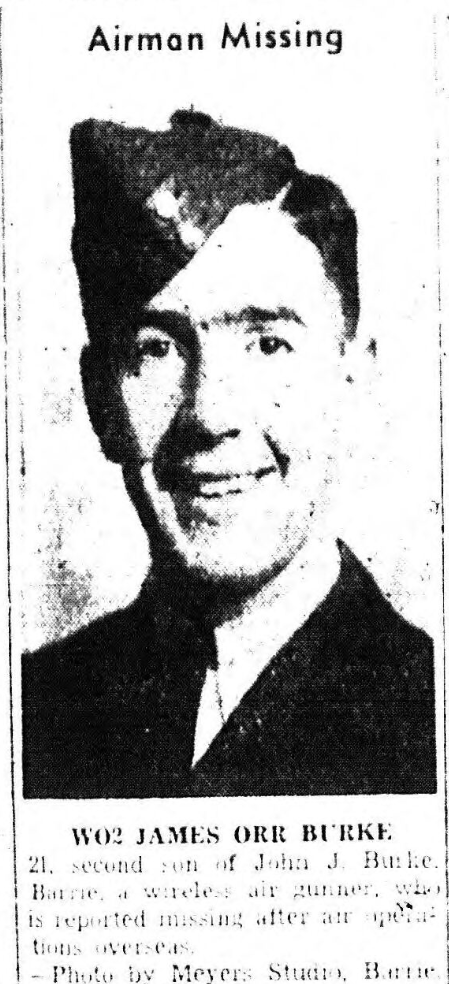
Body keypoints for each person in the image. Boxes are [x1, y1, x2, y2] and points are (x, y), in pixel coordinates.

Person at [22, 109, 436, 798]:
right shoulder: (33, 712)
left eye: (268, 343)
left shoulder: (428, 714)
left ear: (353, 381)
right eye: (156, 349)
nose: (210, 413)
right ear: (100, 401)